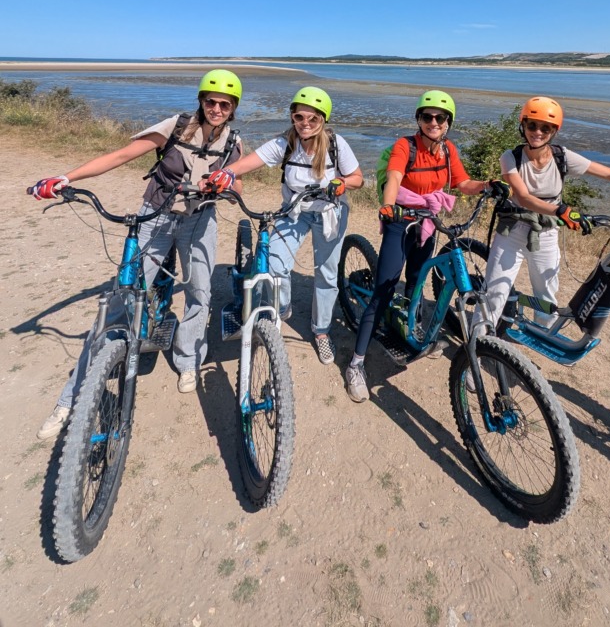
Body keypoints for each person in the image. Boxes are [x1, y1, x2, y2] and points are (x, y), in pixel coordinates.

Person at [30, 70, 244, 439]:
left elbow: (237, 182)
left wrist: (225, 185)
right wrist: (67, 178)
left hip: (199, 222)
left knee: (199, 294)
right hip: (155, 218)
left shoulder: (233, 141)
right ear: (201, 100)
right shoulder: (176, 127)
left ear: (234, 108)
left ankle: (188, 359)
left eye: (225, 104)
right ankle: (71, 397)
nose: (216, 108)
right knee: (120, 300)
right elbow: (122, 155)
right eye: (210, 101)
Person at [344, 89, 505, 404]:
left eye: (440, 117)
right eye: (426, 116)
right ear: (418, 119)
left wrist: (488, 186)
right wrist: (389, 205)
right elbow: (393, 176)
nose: (433, 121)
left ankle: (410, 327)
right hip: (400, 219)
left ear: (448, 123)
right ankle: (355, 363)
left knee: (417, 279)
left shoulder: (448, 151)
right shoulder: (406, 146)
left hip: (428, 221)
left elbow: (461, 183)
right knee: (385, 287)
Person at [482, 95, 610, 328]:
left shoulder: (562, 157)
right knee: (495, 292)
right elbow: (523, 197)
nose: (537, 132)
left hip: (547, 232)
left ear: (554, 131)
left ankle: (540, 338)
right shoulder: (511, 157)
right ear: (523, 125)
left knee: (546, 295)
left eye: (546, 128)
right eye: (532, 125)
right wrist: (562, 210)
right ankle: (477, 344)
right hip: (514, 231)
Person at [207, 86, 363, 366]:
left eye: (313, 119)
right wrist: (226, 172)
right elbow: (250, 162)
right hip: (295, 211)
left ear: (323, 120)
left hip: (330, 213)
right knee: (275, 264)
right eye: (299, 116)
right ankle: (283, 306)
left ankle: (322, 331)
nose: (305, 123)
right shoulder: (285, 143)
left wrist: (341, 183)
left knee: (326, 274)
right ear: (292, 116)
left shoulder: (336, 144)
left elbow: (358, 178)